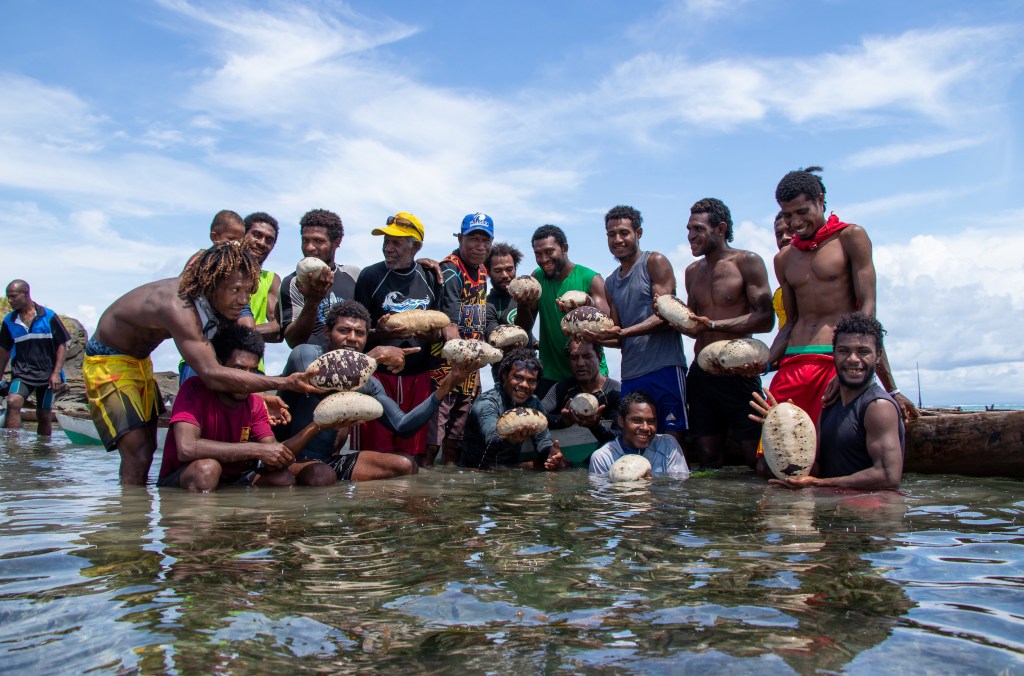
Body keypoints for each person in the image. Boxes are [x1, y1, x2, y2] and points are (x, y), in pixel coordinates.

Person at [84, 243, 320, 485]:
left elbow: (235, 355)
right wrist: (285, 382)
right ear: (212, 283)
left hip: (140, 361)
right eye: (235, 290)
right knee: (139, 452)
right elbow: (211, 373)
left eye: (248, 291)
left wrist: (258, 395)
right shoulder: (178, 305)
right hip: (108, 359)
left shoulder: (210, 302)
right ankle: (132, 518)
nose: (242, 300)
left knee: (149, 444)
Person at [769, 167, 917, 424]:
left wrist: (853, 367)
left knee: (832, 450)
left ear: (821, 201)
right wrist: (762, 362)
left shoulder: (851, 237)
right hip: (793, 361)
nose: (794, 223)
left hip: (834, 359)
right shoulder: (783, 259)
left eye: (802, 212)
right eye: (787, 215)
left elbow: (867, 308)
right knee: (774, 458)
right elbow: (791, 322)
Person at [278, 300, 480, 479]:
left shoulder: (369, 383)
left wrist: (449, 383)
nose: (352, 338)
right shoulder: (304, 354)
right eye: (343, 330)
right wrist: (371, 357)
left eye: (360, 333)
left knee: (406, 464)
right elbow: (325, 380)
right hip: (288, 459)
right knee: (320, 475)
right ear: (326, 333)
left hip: (329, 463)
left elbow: (403, 426)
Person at [158, 325, 336, 491]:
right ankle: (205, 523)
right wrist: (256, 450)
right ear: (219, 366)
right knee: (207, 469)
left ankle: (249, 523)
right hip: (186, 477)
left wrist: (316, 425)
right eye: (239, 369)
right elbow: (187, 448)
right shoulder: (194, 389)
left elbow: (275, 456)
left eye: (253, 371)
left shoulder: (255, 403)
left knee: (283, 479)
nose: (246, 379)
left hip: (232, 480)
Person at [752, 313, 904, 490]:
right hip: (833, 507)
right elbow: (816, 467)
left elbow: (888, 476)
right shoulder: (828, 405)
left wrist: (819, 484)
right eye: (843, 351)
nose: (853, 359)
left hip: (870, 512)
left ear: (878, 356)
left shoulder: (878, 407)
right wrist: (783, 429)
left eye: (863, 352)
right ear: (834, 353)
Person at [682, 198, 774, 468]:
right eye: (688, 229)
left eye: (698, 229)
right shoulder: (691, 272)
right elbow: (692, 325)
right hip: (701, 375)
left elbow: (766, 319)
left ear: (720, 229)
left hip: (739, 373)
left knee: (753, 457)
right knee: (707, 455)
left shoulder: (747, 262)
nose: (690, 236)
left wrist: (713, 325)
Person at [588, 205, 689, 449]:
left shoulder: (654, 262)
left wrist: (625, 332)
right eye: (612, 234)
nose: (618, 239)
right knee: (633, 443)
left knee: (671, 441)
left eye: (624, 233)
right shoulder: (611, 282)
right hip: (632, 374)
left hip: (664, 367)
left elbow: (667, 316)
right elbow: (618, 335)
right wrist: (592, 337)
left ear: (638, 233)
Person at [352, 212, 440, 464]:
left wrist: (431, 334)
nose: (388, 249)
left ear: (417, 247)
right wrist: (381, 333)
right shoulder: (370, 276)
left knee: (409, 456)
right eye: (386, 242)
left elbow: (439, 327)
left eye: (396, 243)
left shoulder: (431, 276)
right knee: (374, 457)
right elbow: (356, 333)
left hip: (418, 377)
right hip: (379, 378)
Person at [426, 212, 493, 465]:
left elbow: (477, 323)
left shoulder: (483, 271)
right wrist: (461, 370)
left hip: (468, 368)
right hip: (443, 368)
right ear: (460, 238)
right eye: (473, 239)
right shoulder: (451, 269)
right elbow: (451, 326)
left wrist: (473, 373)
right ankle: (425, 493)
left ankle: (452, 497)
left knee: (456, 438)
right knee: (433, 439)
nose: (480, 246)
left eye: (485, 241)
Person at [514, 224, 610, 398]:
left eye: (549, 251)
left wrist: (587, 307)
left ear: (564, 248)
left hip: (591, 375)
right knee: (551, 424)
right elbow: (523, 328)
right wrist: (523, 304)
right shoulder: (537, 278)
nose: (543, 259)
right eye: (538, 254)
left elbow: (610, 325)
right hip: (551, 376)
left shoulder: (591, 279)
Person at [179, 210, 254, 383]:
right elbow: (184, 288)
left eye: (239, 240)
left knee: (247, 330)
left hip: (230, 309)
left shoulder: (241, 263)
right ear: (215, 237)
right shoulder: (202, 259)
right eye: (230, 239)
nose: (235, 244)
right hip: (204, 315)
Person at [461, 348, 565, 470]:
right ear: (505, 375)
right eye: (518, 377)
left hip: (510, 469)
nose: (524, 385)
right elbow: (492, 439)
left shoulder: (533, 402)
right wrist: (510, 439)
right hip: (477, 472)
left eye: (531, 381)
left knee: (562, 464)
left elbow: (542, 439)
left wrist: (550, 453)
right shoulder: (487, 403)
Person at [279, 208, 361, 348]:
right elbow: (294, 341)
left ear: (336, 242)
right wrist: (313, 301)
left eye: (318, 241)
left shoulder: (354, 275)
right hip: (310, 361)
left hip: (350, 358)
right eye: (305, 240)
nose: (310, 248)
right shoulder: (293, 282)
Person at [0, 280, 69, 436]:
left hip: (48, 374)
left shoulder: (48, 316)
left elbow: (62, 345)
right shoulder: (9, 321)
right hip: (22, 373)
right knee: (13, 401)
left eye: (13, 296)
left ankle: (44, 451)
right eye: (8, 297)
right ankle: (13, 448)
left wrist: (56, 373)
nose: (10, 300)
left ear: (26, 293)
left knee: (44, 415)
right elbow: (4, 350)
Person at [541, 338, 620, 466]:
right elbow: (537, 415)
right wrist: (562, 421)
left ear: (599, 358)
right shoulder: (562, 388)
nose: (580, 363)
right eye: (574, 358)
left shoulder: (614, 391)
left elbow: (620, 437)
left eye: (587, 356)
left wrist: (595, 426)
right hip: (567, 465)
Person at [589, 391, 690, 479]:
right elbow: (603, 497)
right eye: (637, 420)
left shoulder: (668, 445)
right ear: (621, 421)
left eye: (651, 421)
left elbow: (678, 488)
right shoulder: (602, 458)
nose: (645, 428)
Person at [483, 242, 535, 381]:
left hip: (532, 372)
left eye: (509, 269)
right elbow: (499, 340)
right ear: (488, 272)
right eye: (498, 271)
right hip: (505, 376)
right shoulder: (487, 305)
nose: (505, 275)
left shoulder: (525, 295)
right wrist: (523, 305)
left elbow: (528, 334)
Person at [243, 211, 283, 344]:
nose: (261, 243)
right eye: (256, 235)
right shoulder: (212, 264)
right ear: (242, 235)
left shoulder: (271, 280)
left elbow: (278, 330)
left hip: (250, 361)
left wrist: (237, 332)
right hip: (202, 358)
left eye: (269, 240)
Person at [772, 211, 792, 330]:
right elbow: (786, 330)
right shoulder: (779, 294)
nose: (785, 238)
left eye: (791, 231)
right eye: (779, 235)